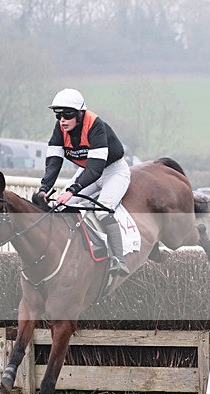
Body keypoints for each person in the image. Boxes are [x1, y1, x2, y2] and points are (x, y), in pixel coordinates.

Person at [33, 88, 132, 275]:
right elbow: (54, 162)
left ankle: (119, 259)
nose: (62, 120)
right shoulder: (60, 129)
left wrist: (71, 190)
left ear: (80, 114)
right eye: (58, 115)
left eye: (68, 115)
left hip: (113, 171)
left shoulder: (95, 126)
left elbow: (95, 169)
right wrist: (44, 188)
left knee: (103, 210)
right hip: (88, 171)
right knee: (61, 207)